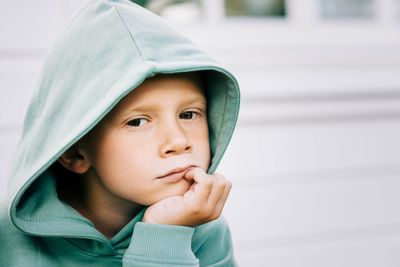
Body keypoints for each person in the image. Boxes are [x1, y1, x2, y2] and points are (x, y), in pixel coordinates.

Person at [0, 0, 240, 266]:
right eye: (138, 121)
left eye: (188, 114)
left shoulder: (205, 229)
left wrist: (166, 235)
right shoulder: (7, 238)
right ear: (74, 152)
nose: (178, 141)